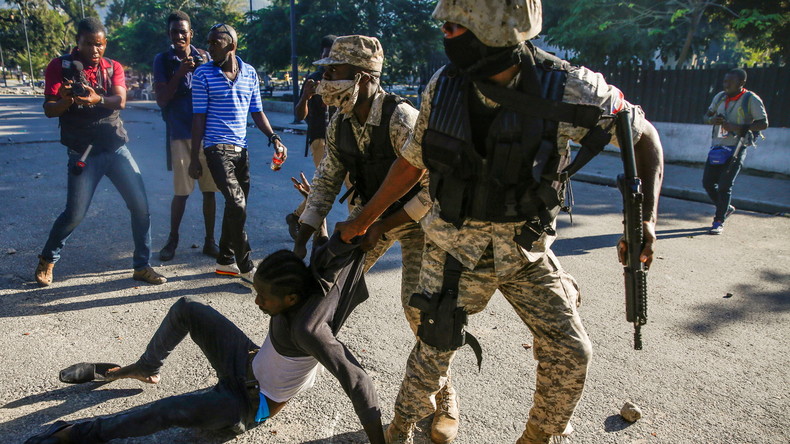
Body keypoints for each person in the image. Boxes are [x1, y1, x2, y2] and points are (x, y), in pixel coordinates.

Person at [336, 1, 665, 443]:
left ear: (495, 30)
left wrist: (644, 220)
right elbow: (412, 164)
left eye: (455, 27)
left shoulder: (569, 88)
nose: (445, 35)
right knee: (432, 349)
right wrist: (363, 220)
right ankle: (399, 432)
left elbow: (642, 136)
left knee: (571, 352)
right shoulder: (445, 84)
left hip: (525, 251)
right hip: (453, 248)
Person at [24, 239, 387, 444]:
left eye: (264, 298)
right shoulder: (301, 285)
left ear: (291, 300)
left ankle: (79, 435)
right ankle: (145, 367)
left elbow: (357, 381)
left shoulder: (310, 332)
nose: (257, 302)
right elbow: (319, 247)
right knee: (188, 308)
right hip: (246, 362)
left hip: (247, 405)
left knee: (165, 411)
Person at [291, 35, 458, 443]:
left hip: (419, 221)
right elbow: (328, 177)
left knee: (421, 312)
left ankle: (445, 395)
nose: (325, 79)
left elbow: (432, 184)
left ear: (364, 77)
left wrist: (383, 224)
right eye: (325, 70)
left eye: (334, 72)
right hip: (368, 215)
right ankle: (284, 358)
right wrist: (306, 233)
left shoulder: (401, 117)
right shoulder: (339, 120)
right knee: (319, 282)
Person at [34, 17, 166, 287]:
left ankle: (142, 266)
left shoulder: (112, 67)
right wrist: (67, 99)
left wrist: (97, 99)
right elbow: (49, 109)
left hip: (116, 146)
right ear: (78, 43)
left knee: (141, 207)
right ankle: (48, 259)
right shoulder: (59, 67)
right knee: (75, 214)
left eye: (100, 45)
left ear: (105, 44)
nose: (95, 50)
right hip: (83, 152)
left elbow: (120, 100)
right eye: (89, 44)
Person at [189, 23, 287, 285]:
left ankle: (224, 259)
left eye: (214, 43)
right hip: (215, 148)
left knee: (236, 207)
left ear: (231, 46)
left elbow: (257, 111)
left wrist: (274, 138)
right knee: (237, 203)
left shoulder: (250, 73)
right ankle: (245, 267)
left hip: (241, 149)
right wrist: (193, 157)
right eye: (208, 42)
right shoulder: (202, 75)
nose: (209, 48)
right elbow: (198, 118)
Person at [153, 10, 220, 262]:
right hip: (180, 131)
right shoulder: (163, 60)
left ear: (191, 33)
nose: (179, 36)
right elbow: (161, 100)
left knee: (210, 190)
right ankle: (172, 240)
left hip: (208, 131)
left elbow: (218, 87)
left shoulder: (204, 55)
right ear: (169, 34)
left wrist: (205, 69)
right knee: (181, 191)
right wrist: (180, 73)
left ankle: (210, 242)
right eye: (174, 32)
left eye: (183, 31)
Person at [702, 68, 768, 235]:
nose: (726, 85)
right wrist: (712, 120)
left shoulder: (750, 99)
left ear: (741, 83)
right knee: (708, 183)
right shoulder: (719, 97)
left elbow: (763, 123)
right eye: (725, 81)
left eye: (730, 82)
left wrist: (739, 128)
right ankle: (726, 208)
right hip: (717, 147)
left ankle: (718, 221)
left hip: (737, 148)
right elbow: (705, 116)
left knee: (724, 186)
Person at [286, 34, 338, 240]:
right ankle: (321, 236)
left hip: (342, 139)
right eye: (325, 56)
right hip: (320, 139)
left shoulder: (344, 78)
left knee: (342, 186)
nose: (328, 62)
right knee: (325, 187)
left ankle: (297, 215)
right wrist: (306, 97)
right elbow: (299, 115)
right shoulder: (313, 80)